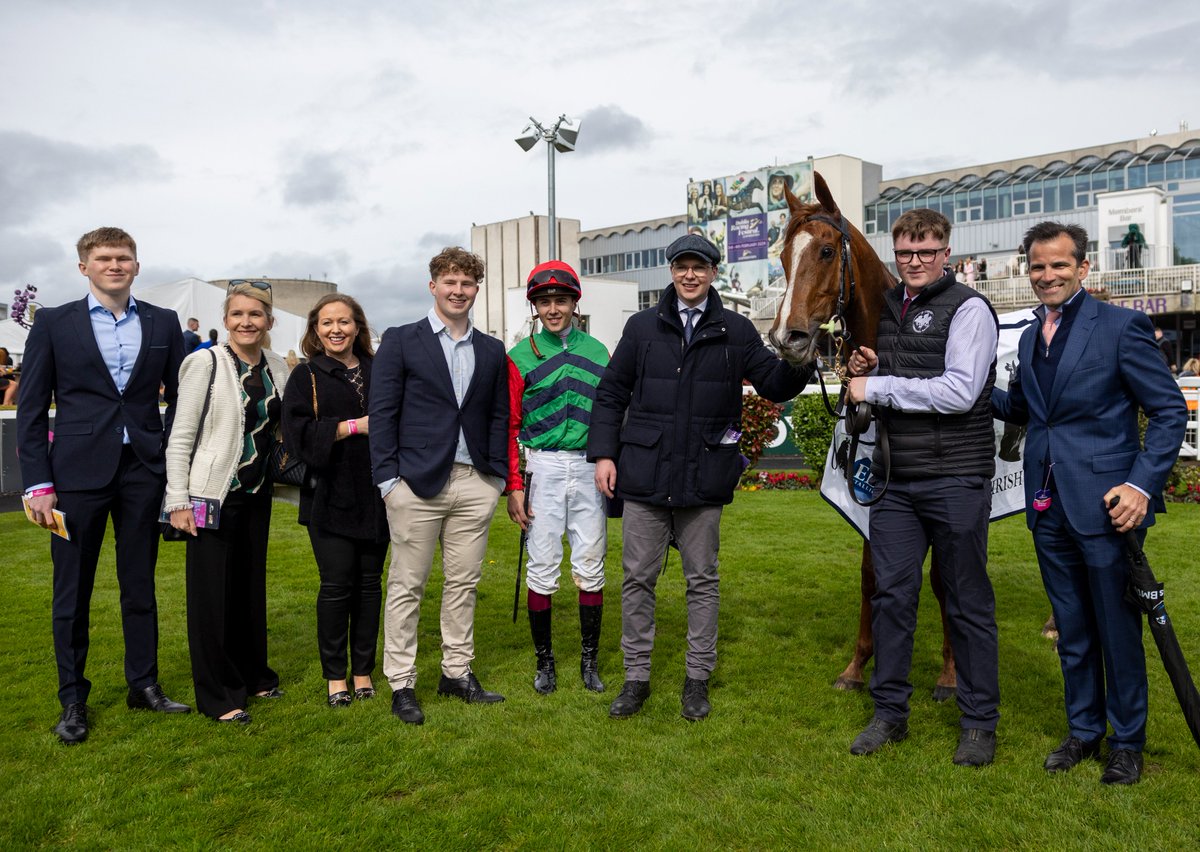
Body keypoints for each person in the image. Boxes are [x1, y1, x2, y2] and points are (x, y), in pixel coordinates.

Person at [992, 222, 1187, 785]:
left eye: (1058, 265)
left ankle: (1127, 741)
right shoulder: (1030, 338)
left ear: (1083, 268)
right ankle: (1084, 731)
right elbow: (1031, 409)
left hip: (1108, 506)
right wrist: (972, 387)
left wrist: (1141, 485)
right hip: (1047, 505)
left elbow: (1170, 411)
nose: (1046, 275)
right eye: (1036, 266)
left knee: (1116, 629)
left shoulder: (1123, 327)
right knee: (1072, 629)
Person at [588, 233, 813, 721]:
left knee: (702, 582)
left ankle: (696, 680)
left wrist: (804, 358)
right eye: (681, 266)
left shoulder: (735, 329)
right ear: (672, 271)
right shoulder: (642, 327)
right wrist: (604, 455)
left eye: (700, 266)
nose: (690, 274)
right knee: (637, 580)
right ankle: (636, 679)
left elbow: (774, 384)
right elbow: (610, 395)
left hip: (704, 474)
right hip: (645, 474)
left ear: (714, 273)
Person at [16, 226, 190, 745]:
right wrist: (38, 483)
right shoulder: (52, 323)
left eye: (124, 258)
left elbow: (182, 397)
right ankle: (73, 699)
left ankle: (144, 684)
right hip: (73, 479)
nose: (115, 265)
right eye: (104, 258)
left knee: (140, 585)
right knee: (72, 591)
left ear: (137, 266)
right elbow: (29, 410)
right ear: (84, 267)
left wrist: (167, 459)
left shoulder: (164, 321)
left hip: (142, 470)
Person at [845, 208, 1001, 767]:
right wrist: (873, 360)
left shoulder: (971, 310)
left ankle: (979, 723)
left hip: (956, 477)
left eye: (926, 251)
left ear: (946, 253)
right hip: (897, 481)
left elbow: (959, 392)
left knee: (966, 601)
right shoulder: (891, 306)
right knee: (891, 598)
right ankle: (889, 714)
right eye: (906, 252)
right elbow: (906, 367)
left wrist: (876, 383)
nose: (915, 261)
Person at [370, 247, 510, 726]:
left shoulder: (491, 349)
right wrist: (388, 481)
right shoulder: (402, 340)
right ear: (433, 286)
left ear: (476, 290)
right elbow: (383, 413)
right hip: (415, 484)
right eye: (449, 282)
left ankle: (456, 672)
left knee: (464, 583)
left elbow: (496, 415)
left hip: (475, 483)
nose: (457, 290)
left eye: (467, 283)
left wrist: (496, 480)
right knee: (408, 585)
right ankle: (402, 682)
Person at [164, 281, 290, 724]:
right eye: (238, 314)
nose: (247, 322)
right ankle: (218, 694)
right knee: (211, 596)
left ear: (269, 321)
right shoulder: (205, 362)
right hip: (208, 495)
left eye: (256, 315)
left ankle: (254, 674)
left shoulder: (277, 364)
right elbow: (180, 435)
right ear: (226, 319)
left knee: (248, 590)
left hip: (256, 495)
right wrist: (177, 500)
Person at [506, 261, 610, 695]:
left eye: (561, 300)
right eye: (545, 301)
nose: (553, 308)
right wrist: (514, 485)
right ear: (535, 307)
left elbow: (611, 414)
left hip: (588, 466)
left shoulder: (599, 352)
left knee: (591, 564)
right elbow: (510, 425)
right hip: (542, 467)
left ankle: (589, 662)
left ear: (574, 303)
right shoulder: (518, 356)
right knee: (543, 566)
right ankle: (544, 662)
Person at [282, 294, 388, 708]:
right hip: (329, 494)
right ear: (315, 329)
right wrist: (354, 426)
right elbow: (298, 436)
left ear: (358, 327)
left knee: (369, 586)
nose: (336, 330)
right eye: (327, 323)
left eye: (344, 322)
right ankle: (335, 677)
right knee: (335, 587)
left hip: (378, 493)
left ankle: (363, 671)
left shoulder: (380, 371)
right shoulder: (306, 375)